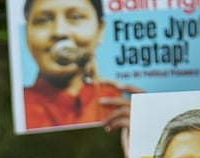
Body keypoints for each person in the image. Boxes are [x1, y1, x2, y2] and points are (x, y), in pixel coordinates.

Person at [21, 0, 127, 131]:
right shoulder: (18, 107)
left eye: (75, 17)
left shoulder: (117, 100)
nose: (60, 32)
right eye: (43, 20)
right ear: (27, 33)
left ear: (100, 29)